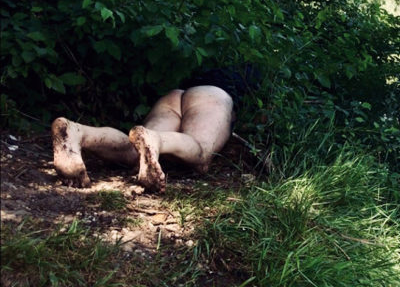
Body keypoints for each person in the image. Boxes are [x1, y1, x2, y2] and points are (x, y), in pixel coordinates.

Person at [51, 65, 260, 193]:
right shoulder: (248, 76)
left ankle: (78, 131)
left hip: (174, 96)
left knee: (133, 150)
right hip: (212, 96)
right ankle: (156, 139)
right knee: (200, 151)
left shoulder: (204, 72)